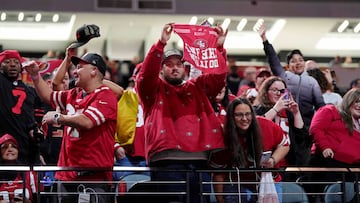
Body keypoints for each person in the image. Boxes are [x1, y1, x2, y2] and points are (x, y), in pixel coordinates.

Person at [135, 23, 228, 203]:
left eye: (178, 64)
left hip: (200, 160)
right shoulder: (153, 91)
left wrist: (219, 48)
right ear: (161, 69)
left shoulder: (197, 86)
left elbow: (218, 78)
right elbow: (146, 75)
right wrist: (160, 44)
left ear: (185, 68)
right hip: (166, 161)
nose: (175, 68)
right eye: (168, 65)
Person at [24, 52, 118, 203]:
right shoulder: (74, 94)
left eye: (80, 67)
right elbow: (48, 96)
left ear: (94, 70)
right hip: (66, 174)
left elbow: (87, 121)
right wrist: (35, 76)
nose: (74, 71)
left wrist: (58, 117)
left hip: (94, 177)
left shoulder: (106, 95)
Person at [257, 23, 325, 165]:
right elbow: (273, 60)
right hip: (287, 119)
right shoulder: (284, 77)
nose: (298, 63)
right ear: (288, 65)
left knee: (302, 160)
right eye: (294, 61)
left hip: (305, 125)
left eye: (300, 60)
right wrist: (265, 39)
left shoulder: (312, 82)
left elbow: (320, 106)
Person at [210, 98, 289, 203]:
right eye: (239, 115)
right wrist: (220, 200)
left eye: (248, 114)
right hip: (236, 184)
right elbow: (218, 174)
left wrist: (273, 160)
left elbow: (285, 145)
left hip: (269, 182)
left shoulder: (266, 125)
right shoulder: (223, 138)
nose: (244, 118)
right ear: (231, 118)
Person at [253, 76, 308, 172]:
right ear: (266, 92)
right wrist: (276, 108)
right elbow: (258, 126)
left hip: (288, 163)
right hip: (266, 162)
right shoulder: (258, 109)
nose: (278, 94)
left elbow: (302, 137)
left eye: (282, 91)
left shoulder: (288, 112)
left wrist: (296, 113)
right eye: (275, 90)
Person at [0, 50, 43, 165]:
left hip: (25, 147)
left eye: (16, 62)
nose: (13, 64)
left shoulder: (31, 92)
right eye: (7, 62)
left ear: (21, 67)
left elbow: (33, 121)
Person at [0, 133, 38, 203]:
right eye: (5, 147)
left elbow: (39, 200)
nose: (10, 149)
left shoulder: (29, 174)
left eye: (13, 146)